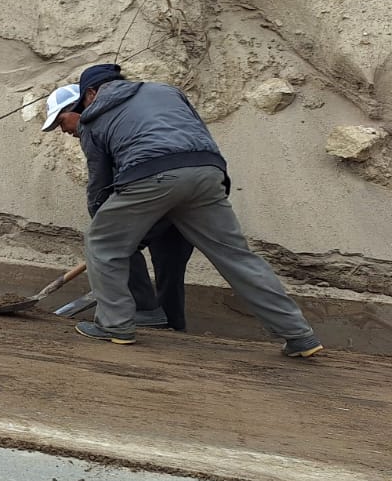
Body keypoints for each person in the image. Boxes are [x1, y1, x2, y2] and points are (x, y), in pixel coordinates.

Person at [59, 63, 323, 356]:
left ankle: (114, 325)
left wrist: (107, 223)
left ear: (92, 93)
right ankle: (299, 334)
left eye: (83, 100)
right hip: (208, 171)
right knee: (236, 257)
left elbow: (100, 184)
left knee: (101, 242)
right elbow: (196, 129)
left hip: (151, 174)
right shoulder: (167, 91)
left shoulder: (93, 117)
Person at [42, 84, 194, 330]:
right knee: (169, 270)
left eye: (61, 121)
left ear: (78, 107)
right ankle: (172, 327)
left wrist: (101, 225)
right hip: (186, 195)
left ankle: (146, 309)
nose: (63, 130)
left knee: (117, 241)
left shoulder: (96, 129)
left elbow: (99, 182)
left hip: (160, 195)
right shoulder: (127, 123)